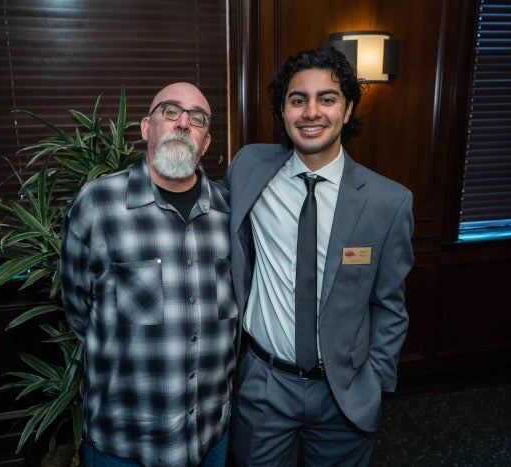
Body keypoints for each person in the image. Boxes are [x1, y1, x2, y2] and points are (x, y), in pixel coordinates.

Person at [226, 47, 414, 466]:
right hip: (264, 385)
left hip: (344, 392)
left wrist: (374, 382)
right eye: (298, 100)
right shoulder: (250, 167)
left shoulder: (388, 202)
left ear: (346, 110)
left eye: (326, 99)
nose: (312, 112)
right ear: (283, 112)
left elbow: (390, 306)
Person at [60, 82, 237, 467]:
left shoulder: (230, 212)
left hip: (209, 435)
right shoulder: (98, 204)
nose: (183, 124)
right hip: (124, 441)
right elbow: (77, 310)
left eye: (197, 118)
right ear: (145, 127)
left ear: (205, 143)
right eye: (170, 111)